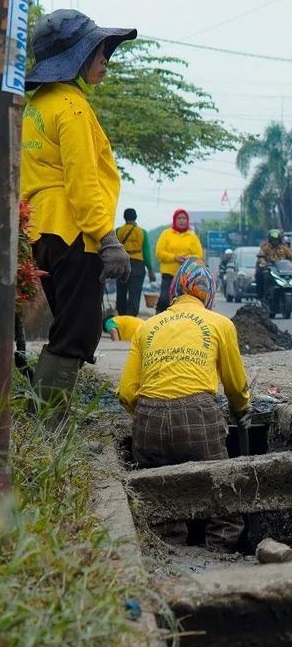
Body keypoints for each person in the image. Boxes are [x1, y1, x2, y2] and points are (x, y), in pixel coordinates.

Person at [20, 9, 136, 410]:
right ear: (76, 57)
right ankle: (48, 425)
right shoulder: (73, 108)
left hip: (41, 233)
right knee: (76, 333)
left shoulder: (35, 107)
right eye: (99, 51)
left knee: (66, 328)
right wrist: (108, 239)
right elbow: (83, 183)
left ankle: (47, 419)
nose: (106, 59)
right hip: (75, 233)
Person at [117, 258, 251, 549]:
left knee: (160, 495)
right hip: (198, 416)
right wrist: (241, 411)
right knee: (222, 492)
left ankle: (170, 553)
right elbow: (235, 386)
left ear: (175, 290)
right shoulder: (220, 324)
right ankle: (219, 556)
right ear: (209, 294)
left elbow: (127, 392)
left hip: (148, 419)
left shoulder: (146, 327)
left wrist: (146, 415)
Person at [154, 208, 204, 314]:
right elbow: (159, 253)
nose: (182, 220)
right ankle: (159, 319)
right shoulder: (166, 234)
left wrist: (188, 259)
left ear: (187, 221)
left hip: (186, 276)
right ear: (174, 220)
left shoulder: (192, 237)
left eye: (184, 218)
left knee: (183, 302)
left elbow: (199, 255)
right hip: (168, 274)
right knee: (164, 299)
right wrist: (174, 257)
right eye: (179, 218)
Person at [115, 207, 156, 316]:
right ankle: (131, 317)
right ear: (136, 217)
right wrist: (151, 270)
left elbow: (114, 250)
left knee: (121, 292)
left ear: (124, 217)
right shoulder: (142, 232)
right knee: (135, 293)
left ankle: (121, 317)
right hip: (137, 265)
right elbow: (146, 253)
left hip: (121, 264)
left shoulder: (118, 231)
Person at [255, 229, 292, 303]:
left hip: (281, 270)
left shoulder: (284, 248)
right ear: (270, 240)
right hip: (270, 269)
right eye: (273, 240)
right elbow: (261, 256)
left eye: (276, 240)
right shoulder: (265, 247)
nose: (274, 241)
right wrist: (263, 262)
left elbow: (291, 256)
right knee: (261, 276)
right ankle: (263, 296)